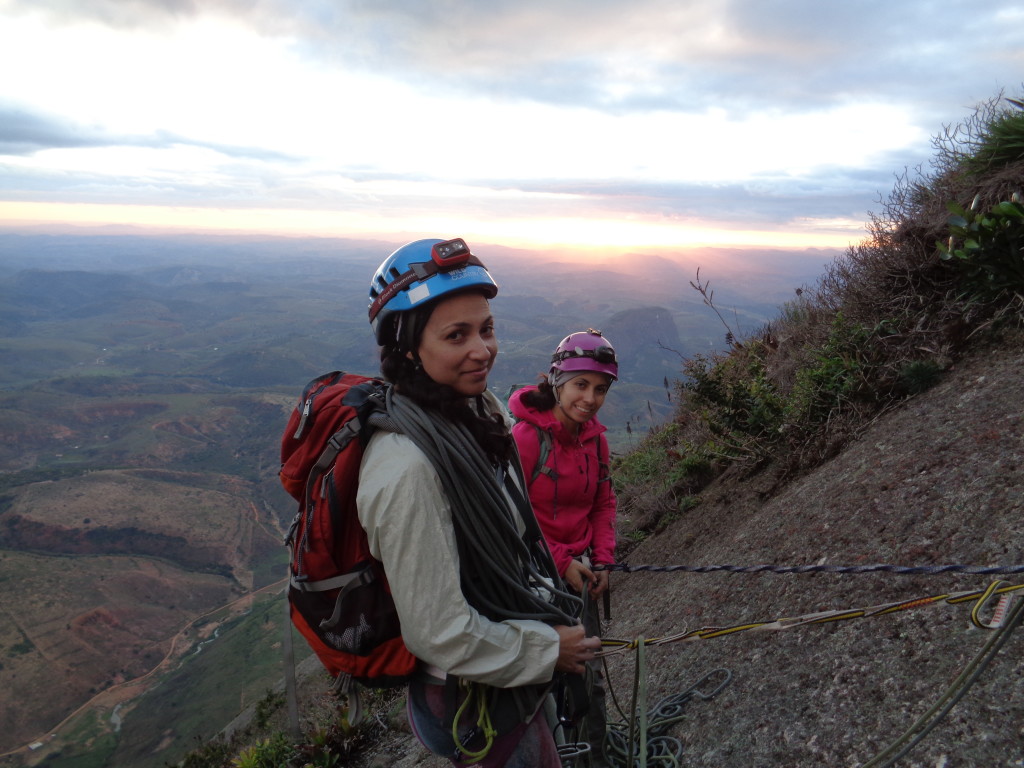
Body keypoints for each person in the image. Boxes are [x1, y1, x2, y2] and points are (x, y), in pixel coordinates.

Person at [355, 237, 600, 767]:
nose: (482, 349)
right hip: (475, 699)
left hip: (507, 661)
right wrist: (548, 651)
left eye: (485, 329)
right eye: (456, 335)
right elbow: (437, 631)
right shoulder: (407, 469)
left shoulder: (476, 411)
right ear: (406, 348)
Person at [508, 329, 618, 768]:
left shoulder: (596, 439)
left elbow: (603, 504)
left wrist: (603, 559)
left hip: (581, 575)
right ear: (557, 381)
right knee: (544, 681)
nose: (590, 398)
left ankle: (594, 758)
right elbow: (511, 517)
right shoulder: (526, 439)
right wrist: (561, 560)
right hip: (532, 578)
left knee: (587, 677)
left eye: (600, 389)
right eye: (581, 385)